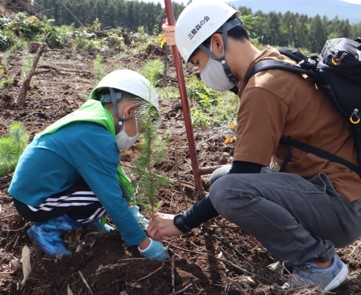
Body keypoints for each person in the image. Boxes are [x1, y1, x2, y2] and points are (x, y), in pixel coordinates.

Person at [148, 1, 361, 292]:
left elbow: (242, 177)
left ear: (217, 43)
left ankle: (319, 264)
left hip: (340, 209)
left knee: (228, 190)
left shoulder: (264, 88)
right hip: (339, 197)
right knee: (223, 178)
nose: (201, 73)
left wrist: (183, 222)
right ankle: (298, 252)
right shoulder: (277, 62)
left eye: (198, 63)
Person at [8, 69, 167, 261]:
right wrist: (144, 244)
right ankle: (46, 230)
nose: (138, 138)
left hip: (43, 188)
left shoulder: (92, 121)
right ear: (129, 111)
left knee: (105, 189)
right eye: (140, 130)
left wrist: (132, 211)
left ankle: (87, 220)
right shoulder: (95, 137)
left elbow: (111, 173)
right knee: (102, 198)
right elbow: (111, 199)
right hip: (34, 200)